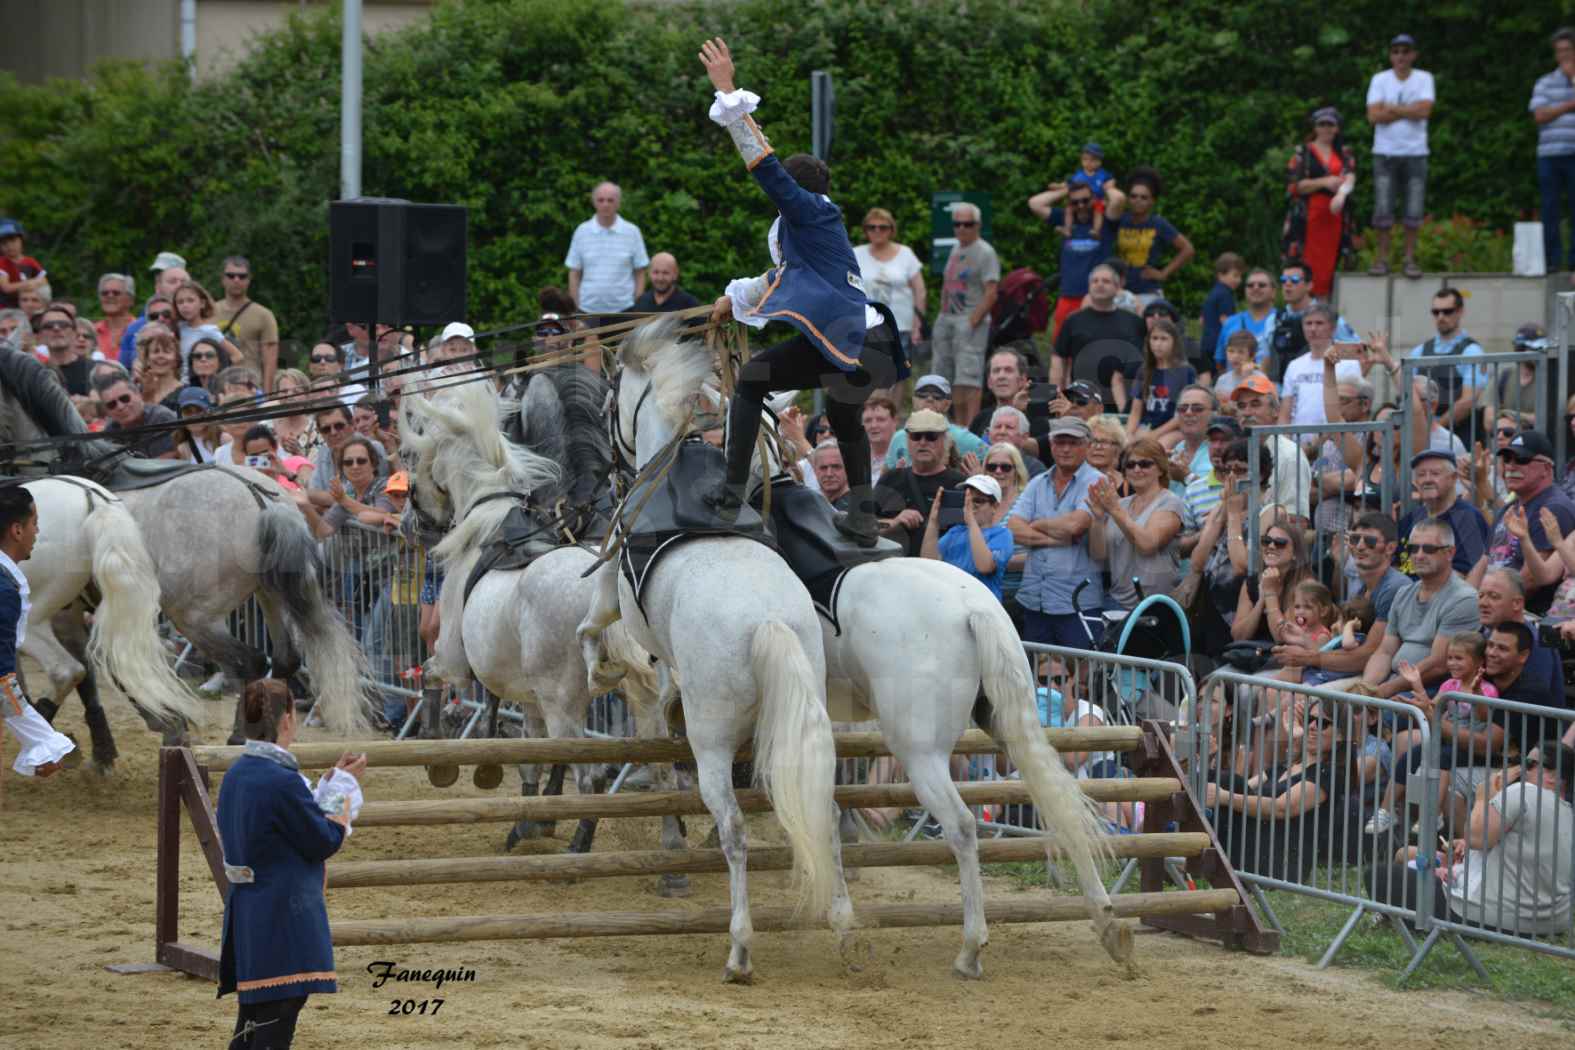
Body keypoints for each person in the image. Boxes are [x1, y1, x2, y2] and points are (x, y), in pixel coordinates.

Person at [699, 37, 897, 546]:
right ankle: (864, 516)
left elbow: (764, 166)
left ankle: (730, 497)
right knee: (841, 414)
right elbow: (787, 280)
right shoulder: (817, 225)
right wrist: (735, 297)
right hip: (867, 340)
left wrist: (728, 92)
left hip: (845, 336)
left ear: (799, 188)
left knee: (750, 382)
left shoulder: (808, 210)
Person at [216, 678, 364, 1050]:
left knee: (252, 1026)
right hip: (283, 918)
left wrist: (329, 783)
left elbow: (289, 824)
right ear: (286, 720)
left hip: (251, 916)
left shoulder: (237, 775)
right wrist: (342, 788)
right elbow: (323, 840)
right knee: (272, 1027)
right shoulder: (280, 781)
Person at [1203, 702, 1358, 882]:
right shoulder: (1285, 767)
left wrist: (1224, 797)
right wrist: (1211, 760)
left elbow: (1282, 808)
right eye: (1310, 719)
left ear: (1340, 735)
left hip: (1280, 864)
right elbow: (1244, 787)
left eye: (1323, 723)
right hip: (1256, 844)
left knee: (1227, 785)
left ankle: (1199, 860)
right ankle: (1195, 855)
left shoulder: (1330, 773)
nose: (1312, 726)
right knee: (1228, 781)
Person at [1007, 417, 1105, 647]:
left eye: (1074, 442)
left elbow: (1076, 526)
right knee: (1035, 676)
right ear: (1051, 445)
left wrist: (1037, 524)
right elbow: (1013, 527)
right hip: (1034, 598)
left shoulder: (1098, 481)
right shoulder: (1037, 482)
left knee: (1082, 678)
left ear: (1087, 445)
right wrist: (1061, 538)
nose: (1066, 448)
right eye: (1060, 442)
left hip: (1078, 601)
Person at [0, 486, 76, 779]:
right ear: (17, 530)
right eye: (35, 524)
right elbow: (3, 683)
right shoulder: (5, 591)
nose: (38, 531)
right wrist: (43, 740)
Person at [1362, 518, 1482, 699]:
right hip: (1391, 683)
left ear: (1450, 552)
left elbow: (1439, 665)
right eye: (1413, 548)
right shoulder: (1403, 593)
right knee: (1328, 706)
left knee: (1358, 716)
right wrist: (1366, 688)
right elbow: (1385, 651)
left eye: (1428, 549)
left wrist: (1385, 691)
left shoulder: (1463, 599)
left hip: (1432, 692)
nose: (1418, 555)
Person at [1471, 430, 1575, 615]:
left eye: (1521, 460)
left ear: (1546, 468)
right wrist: (1466, 599)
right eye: (1507, 460)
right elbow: (1485, 560)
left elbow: (1532, 580)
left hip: (1524, 615)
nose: (1511, 466)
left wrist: (1484, 608)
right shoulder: (1511, 506)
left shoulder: (1553, 507)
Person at [1086, 437, 1184, 610]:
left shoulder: (1170, 502)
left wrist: (1114, 510)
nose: (1137, 469)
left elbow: (1147, 545)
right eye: (1130, 465)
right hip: (1116, 602)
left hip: (1155, 605)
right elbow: (1099, 555)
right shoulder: (1122, 504)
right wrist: (1098, 519)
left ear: (1160, 469)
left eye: (1145, 464)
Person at [1366, 33, 1435, 278]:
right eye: (1396, 52)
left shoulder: (1424, 78)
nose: (1401, 56)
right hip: (1385, 153)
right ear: (1390, 55)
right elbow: (1373, 116)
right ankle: (1382, 260)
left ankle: (1409, 260)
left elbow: (1425, 110)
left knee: (1413, 209)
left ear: (1413, 55)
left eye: (1405, 51)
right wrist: (1409, 111)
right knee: (1383, 208)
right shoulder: (1380, 79)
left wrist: (1392, 108)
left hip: (1416, 153)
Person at [929, 201, 999, 428]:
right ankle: (957, 427)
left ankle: (971, 427)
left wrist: (972, 321)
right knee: (947, 376)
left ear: (977, 225)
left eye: (967, 224)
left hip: (969, 319)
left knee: (968, 376)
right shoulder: (956, 248)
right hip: (947, 318)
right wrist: (942, 312)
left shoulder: (985, 252)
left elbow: (991, 293)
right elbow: (947, 284)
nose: (961, 229)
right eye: (957, 224)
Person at [1027, 178, 1123, 336]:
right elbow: (1035, 203)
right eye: (1075, 202)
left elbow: (1118, 199)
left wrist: (1104, 187)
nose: (1081, 206)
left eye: (1085, 200)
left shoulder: (1105, 220)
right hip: (1068, 296)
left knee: (1094, 349)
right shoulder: (1066, 219)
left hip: (1098, 298)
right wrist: (1066, 190)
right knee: (1062, 350)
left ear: (1094, 199)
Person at [1283, 108, 1357, 297]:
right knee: (1305, 262)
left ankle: (1326, 305)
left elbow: (1350, 177)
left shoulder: (1344, 153)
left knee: (1332, 262)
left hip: (1335, 215)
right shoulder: (1303, 153)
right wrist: (1324, 182)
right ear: (1315, 127)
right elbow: (1294, 185)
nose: (1326, 128)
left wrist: (1341, 193)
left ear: (1337, 128)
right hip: (1308, 216)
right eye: (1322, 124)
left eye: (1330, 124)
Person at [874, 409, 966, 556]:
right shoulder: (890, 479)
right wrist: (895, 521)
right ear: (907, 441)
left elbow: (968, 538)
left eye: (931, 436)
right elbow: (865, 527)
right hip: (894, 570)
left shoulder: (960, 485)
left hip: (941, 572)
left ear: (944, 440)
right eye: (916, 436)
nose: (923, 442)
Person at [1050, 262, 1146, 391]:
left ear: (1117, 288)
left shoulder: (1134, 322)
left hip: (1124, 398)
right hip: (1082, 398)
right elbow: (1058, 358)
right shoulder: (1073, 320)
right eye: (1095, 281)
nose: (1099, 284)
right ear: (1089, 287)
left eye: (1106, 281)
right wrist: (1055, 392)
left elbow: (1145, 360)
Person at [1406, 288, 1484, 445]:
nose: (1441, 317)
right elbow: (1407, 392)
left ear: (1460, 311)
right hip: (1421, 433)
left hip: (1458, 436)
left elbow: (1468, 400)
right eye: (1436, 312)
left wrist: (1436, 428)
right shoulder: (1419, 351)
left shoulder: (1472, 351)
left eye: (1447, 311)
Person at [1396, 449, 1490, 577]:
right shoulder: (1410, 518)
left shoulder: (1468, 518)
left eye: (1435, 473)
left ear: (1453, 478)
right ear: (1415, 482)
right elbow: (1396, 565)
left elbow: (1463, 576)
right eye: (1421, 474)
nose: (1427, 480)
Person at [1107, 167, 1195, 304]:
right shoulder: (1121, 220)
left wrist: (1163, 273)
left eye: (1144, 197)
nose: (1138, 200)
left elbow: (1188, 249)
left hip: (1148, 291)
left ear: (1152, 201)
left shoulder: (1158, 224)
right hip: (1120, 291)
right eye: (1133, 196)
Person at [920, 474, 1014, 598]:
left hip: (983, 607)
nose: (970, 505)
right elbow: (928, 563)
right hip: (952, 602)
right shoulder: (955, 531)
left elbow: (985, 566)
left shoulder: (1002, 534)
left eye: (978, 501)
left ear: (995, 507)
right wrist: (933, 521)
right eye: (967, 499)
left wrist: (971, 520)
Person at [565, 181, 649, 318]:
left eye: (610, 200)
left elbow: (640, 272)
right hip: (587, 311)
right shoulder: (581, 231)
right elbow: (574, 272)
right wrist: (576, 307)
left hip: (624, 311)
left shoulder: (632, 232)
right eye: (601, 200)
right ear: (594, 202)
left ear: (618, 203)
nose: (605, 204)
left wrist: (637, 304)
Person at [853, 208, 926, 352]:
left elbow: (920, 291)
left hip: (901, 327)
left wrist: (918, 324)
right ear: (865, 230)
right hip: (867, 327)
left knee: (899, 373)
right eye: (872, 227)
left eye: (883, 227)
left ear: (891, 230)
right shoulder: (856, 254)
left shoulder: (906, 254)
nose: (877, 231)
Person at [1533, 28, 1575, 283]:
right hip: (1550, 154)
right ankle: (1552, 261)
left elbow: (1549, 113)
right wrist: (1569, 105)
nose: (1563, 55)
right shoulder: (1545, 82)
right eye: (1559, 51)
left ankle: (1574, 263)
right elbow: (1539, 116)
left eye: (1568, 50)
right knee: (1550, 208)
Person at [884, 374, 985, 469]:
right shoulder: (899, 437)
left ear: (947, 404)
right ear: (914, 400)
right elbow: (884, 478)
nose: (929, 399)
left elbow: (994, 459)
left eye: (937, 396)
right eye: (922, 395)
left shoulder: (963, 438)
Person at [212, 256, 281, 389]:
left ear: (249, 280)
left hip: (250, 386)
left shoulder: (264, 315)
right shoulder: (209, 313)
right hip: (215, 386)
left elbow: (270, 362)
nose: (236, 280)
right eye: (231, 275)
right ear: (222, 279)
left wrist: (267, 395)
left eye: (242, 276)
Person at [1122, 318, 1195, 441]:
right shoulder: (1144, 370)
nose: (1158, 344)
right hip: (1146, 427)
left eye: (1164, 339)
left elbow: (1182, 415)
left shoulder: (1185, 371)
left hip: (1174, 429)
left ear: (1174, 342)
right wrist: (1128, 435)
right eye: (1154, 338)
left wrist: (1153, 435)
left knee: (1159, 446)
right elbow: (1135, 412)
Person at [95, 372, 179, 458]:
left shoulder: (161, 418)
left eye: (124, 398)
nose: (120, 407)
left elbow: (166, 464)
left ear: (138, 394)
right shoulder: (111, 430)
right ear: (107, 411)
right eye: (112, 404)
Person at [172, 279, 242, 368]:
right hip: (182, 381)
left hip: (202, 380)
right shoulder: (179, 328)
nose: (185, 305)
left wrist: (218, 371)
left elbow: (237, 355)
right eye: (180, 302)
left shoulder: (209, 331)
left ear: (202, 303)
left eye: (190, 300)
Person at [1199, 252, 1243, 368]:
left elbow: (1201, 321)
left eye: (1240, 276)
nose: (1239, 280)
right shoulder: (1225, 295)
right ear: (1220, 275)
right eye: (1235, 275)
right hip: (1219, 347)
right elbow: (1227, 322)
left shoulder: (1212, 293)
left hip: (1206, 343)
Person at [35, 304, 91, 396]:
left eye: (63, 325)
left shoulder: (93, 369)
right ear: (40, 336)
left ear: (74, 332)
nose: (56, 328)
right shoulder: (35, 375)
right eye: (49, 326)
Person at [134, 322, 186, 411]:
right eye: (155, 351)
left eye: (167, 352)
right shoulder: (135, 394)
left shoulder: (186, 394)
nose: (160, 356)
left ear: (176, 359)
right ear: (147, 359)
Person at [629, 252, 700, 314]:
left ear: (675, 274)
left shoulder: (689, 304)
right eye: (656, 272)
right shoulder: (641, 302)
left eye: (665, 273)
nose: (660, 278)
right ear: (649, 273)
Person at [92, 272, 137, 359]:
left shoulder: (141, 330)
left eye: (116, 293)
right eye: (104, 293)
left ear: (130, 300)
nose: (110, 296)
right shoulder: (92, 332)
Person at [809, 441, 850, 509]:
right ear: (815, 470)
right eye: (823, 468)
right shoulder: (813, 507)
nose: (829, 474)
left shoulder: (856, 507)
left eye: (836, 467)